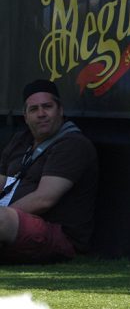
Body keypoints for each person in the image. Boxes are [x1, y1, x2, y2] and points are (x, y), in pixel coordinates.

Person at [0, 80, 98, 263]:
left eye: (47, 107)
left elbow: (44, 199)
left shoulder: (73, 144)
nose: (41, 114)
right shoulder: (21, 140)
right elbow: (2, 181)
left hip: (57, 235)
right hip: (11, 225)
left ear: (60, 110)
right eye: (34, 109)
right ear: (25, 116)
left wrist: (5, 213)